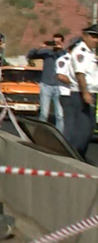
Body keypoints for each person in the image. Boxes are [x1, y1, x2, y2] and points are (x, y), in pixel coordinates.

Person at [68, 25, 98, 159]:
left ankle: (80, 155)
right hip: (81, 93)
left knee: (89, 127)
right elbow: (80, 74)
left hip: (90, 92)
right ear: (85, 36)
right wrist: (85, 93)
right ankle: (75, 155)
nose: (96, 40)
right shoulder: (81, 52)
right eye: (93, 36)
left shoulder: (90, 52)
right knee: (83, 128)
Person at [27, 33, 66, 132]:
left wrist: (61, 48)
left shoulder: (64, 54)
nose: (55, 44)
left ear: (62, 42)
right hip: (46, 85)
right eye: (54, 42)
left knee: (60, 115)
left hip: (60, 86)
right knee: (44, 113)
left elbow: (68, 57)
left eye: (58, 42)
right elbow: (30, 56)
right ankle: (40, 133)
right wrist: (39, 47)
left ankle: (60, 135)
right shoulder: (47, 53)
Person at [56, 37, 80, 144]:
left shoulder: (78, 60)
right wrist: (76, 83)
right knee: (69, 121)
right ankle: (66, 144)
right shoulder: (64, 60)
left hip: (76, 94)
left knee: (77, 122)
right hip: (66, 94)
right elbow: (61, 76)